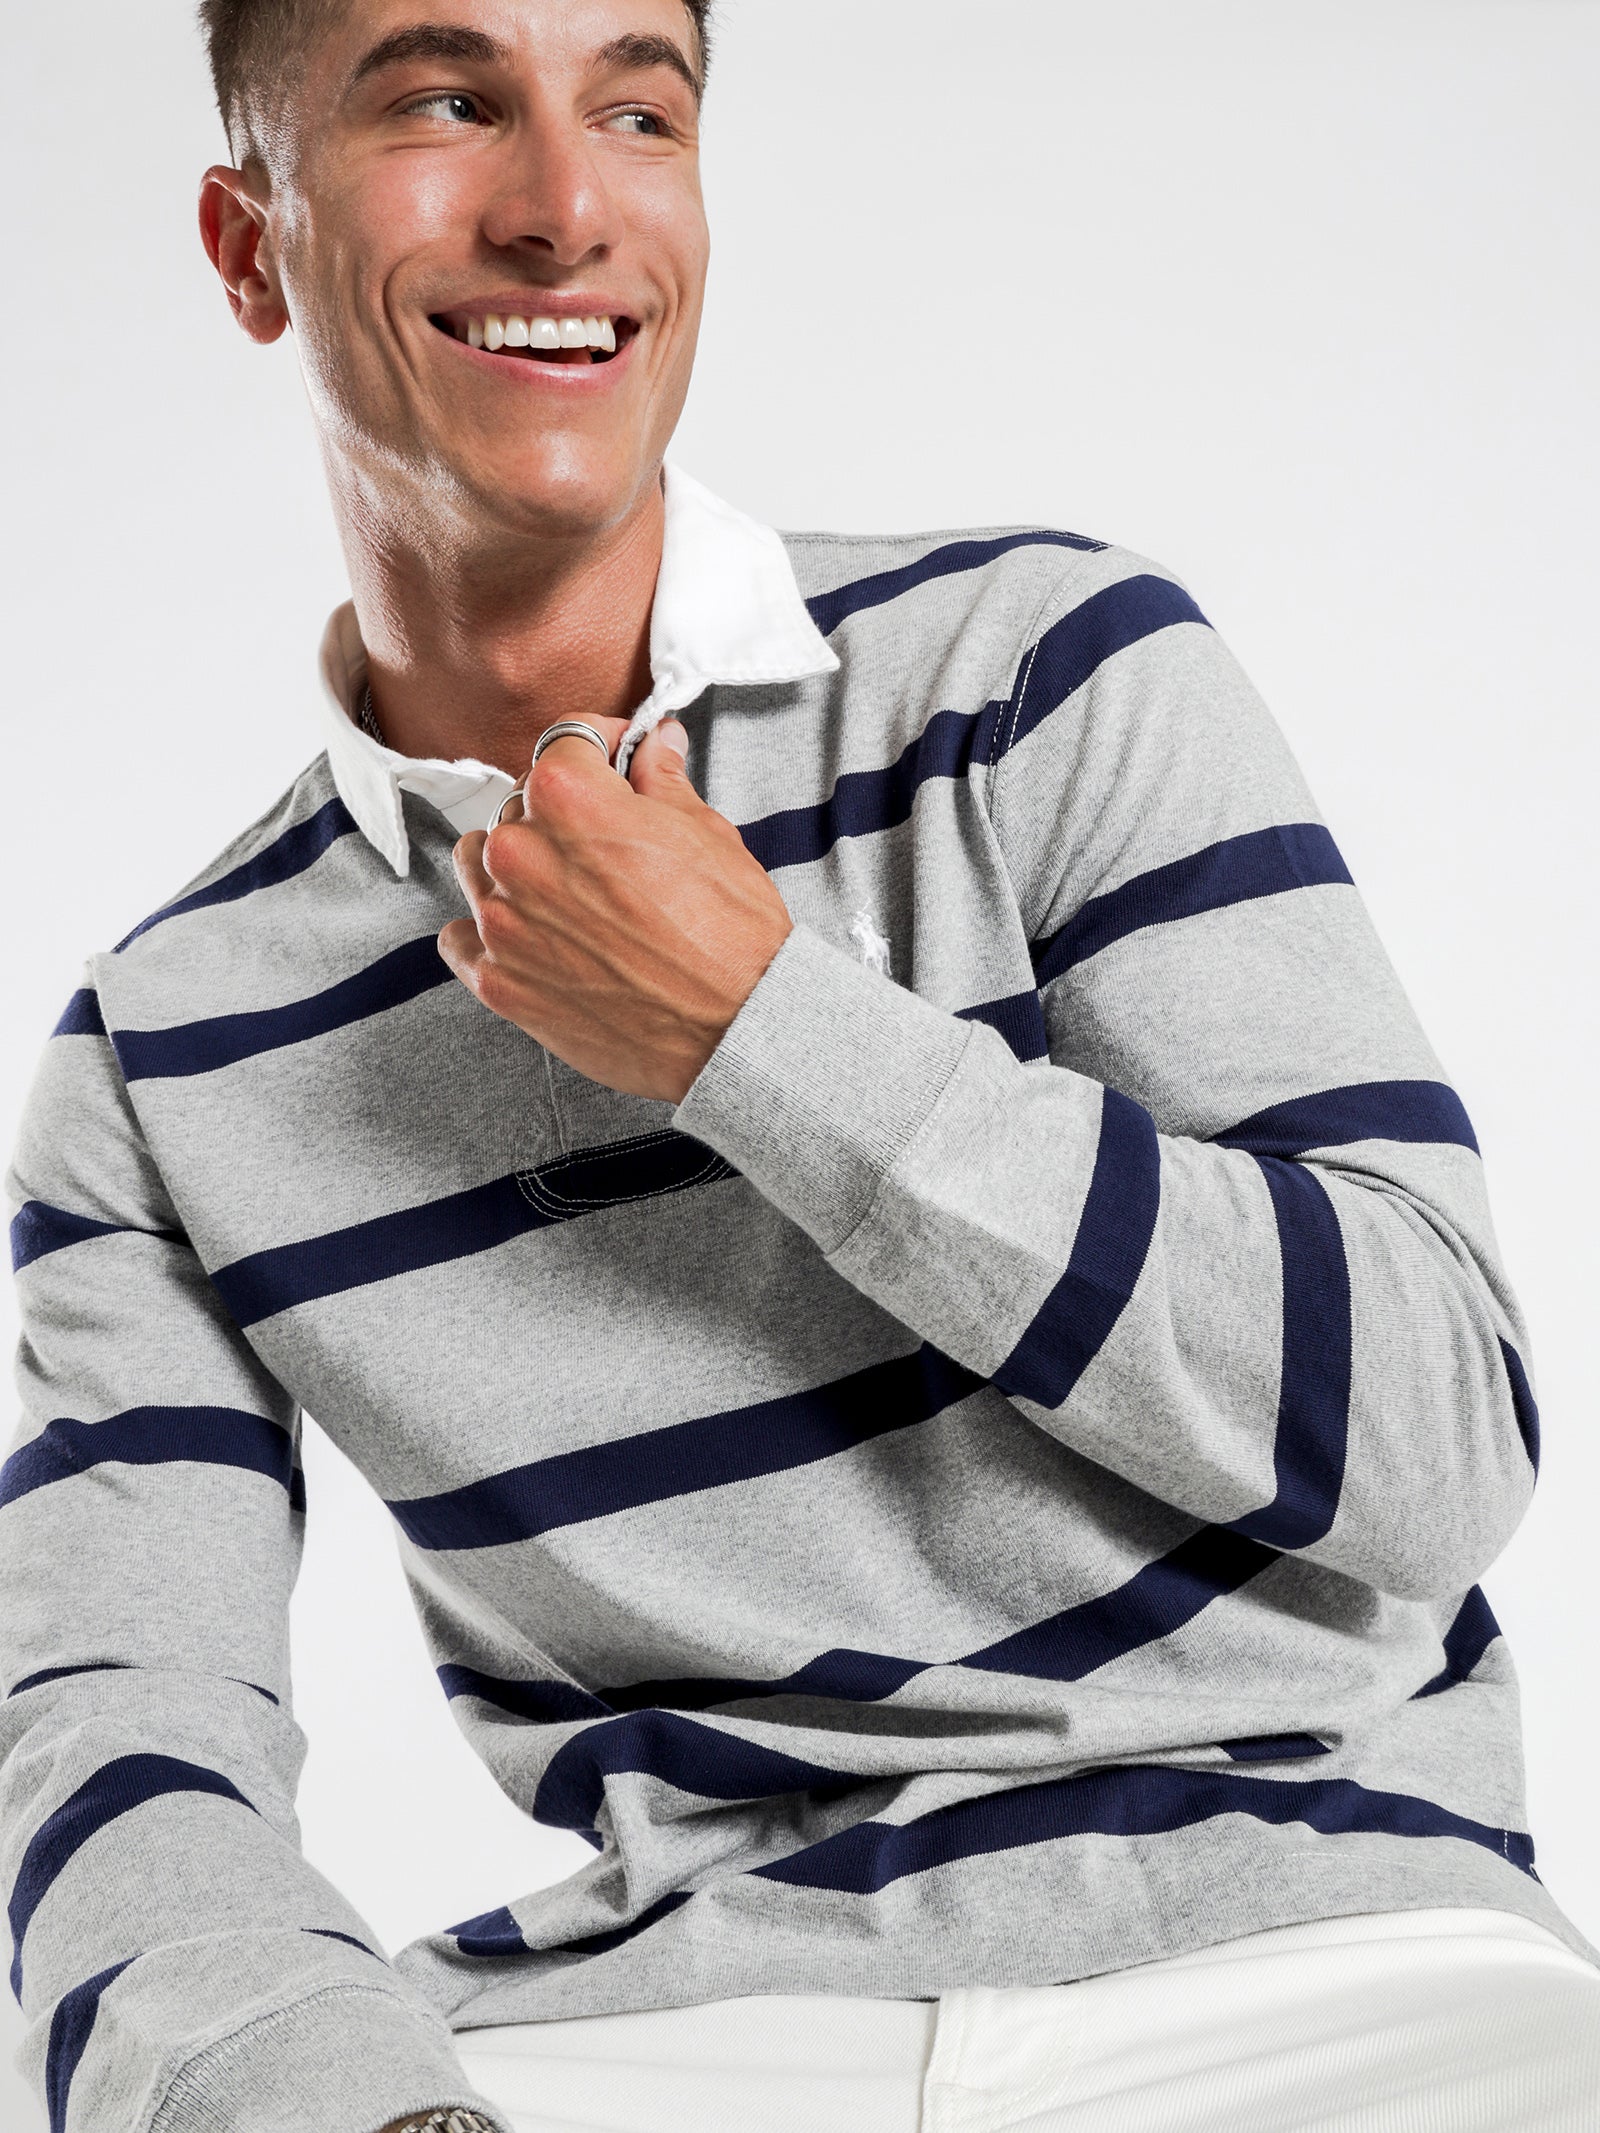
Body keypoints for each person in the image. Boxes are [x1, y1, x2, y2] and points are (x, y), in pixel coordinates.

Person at [3, 0, 1598, 2128]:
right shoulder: (164, 1046)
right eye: (449, 101)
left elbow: (1436, 1431)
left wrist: (762, 1033)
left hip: (1328, 1969)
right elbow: (124, 1740)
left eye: (636, 109)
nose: (564, 205)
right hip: (677, 2028)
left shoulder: (1038, 676)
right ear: (247, 245)